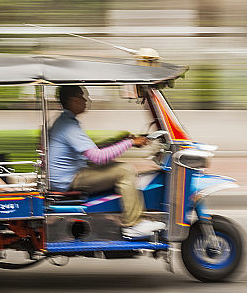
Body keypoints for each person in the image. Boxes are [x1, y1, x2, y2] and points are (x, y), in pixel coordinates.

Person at [48, 85, 165, 239]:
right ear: (73, 101)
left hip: (69, 173)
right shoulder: (68, 126)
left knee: (114, 165)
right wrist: (130, 143)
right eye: (82, 97)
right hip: (69, 179)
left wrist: (119, 141)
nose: (86, 100)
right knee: (125, 170)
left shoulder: (66, 121)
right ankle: (133, 224)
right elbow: (98, 157)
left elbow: (91, 150)